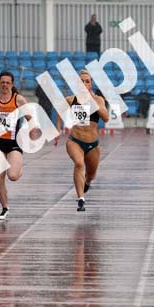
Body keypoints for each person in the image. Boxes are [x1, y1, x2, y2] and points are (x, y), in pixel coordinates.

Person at [55, 69, 109, 212]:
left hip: (92, 144)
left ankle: (87, 182)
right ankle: (80, 199)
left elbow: (106, 118)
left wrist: (93, 102)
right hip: (75, 140)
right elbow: (60, 110)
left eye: (87, 81)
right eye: (82, 82)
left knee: (91, 174)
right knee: (79, 164)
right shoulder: (71, 100)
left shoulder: (98, 100)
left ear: (91, 84)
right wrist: (58, 129)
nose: (84, 84)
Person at [0, 71, 28, 220]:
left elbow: (31, 117)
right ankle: (5, 207)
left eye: (8, 83)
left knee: (13, 176)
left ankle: (19, 166)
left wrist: (33, 130)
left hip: (14, 143)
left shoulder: (18, 99)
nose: (5, 85)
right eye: (2, 82)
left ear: (12, 84)